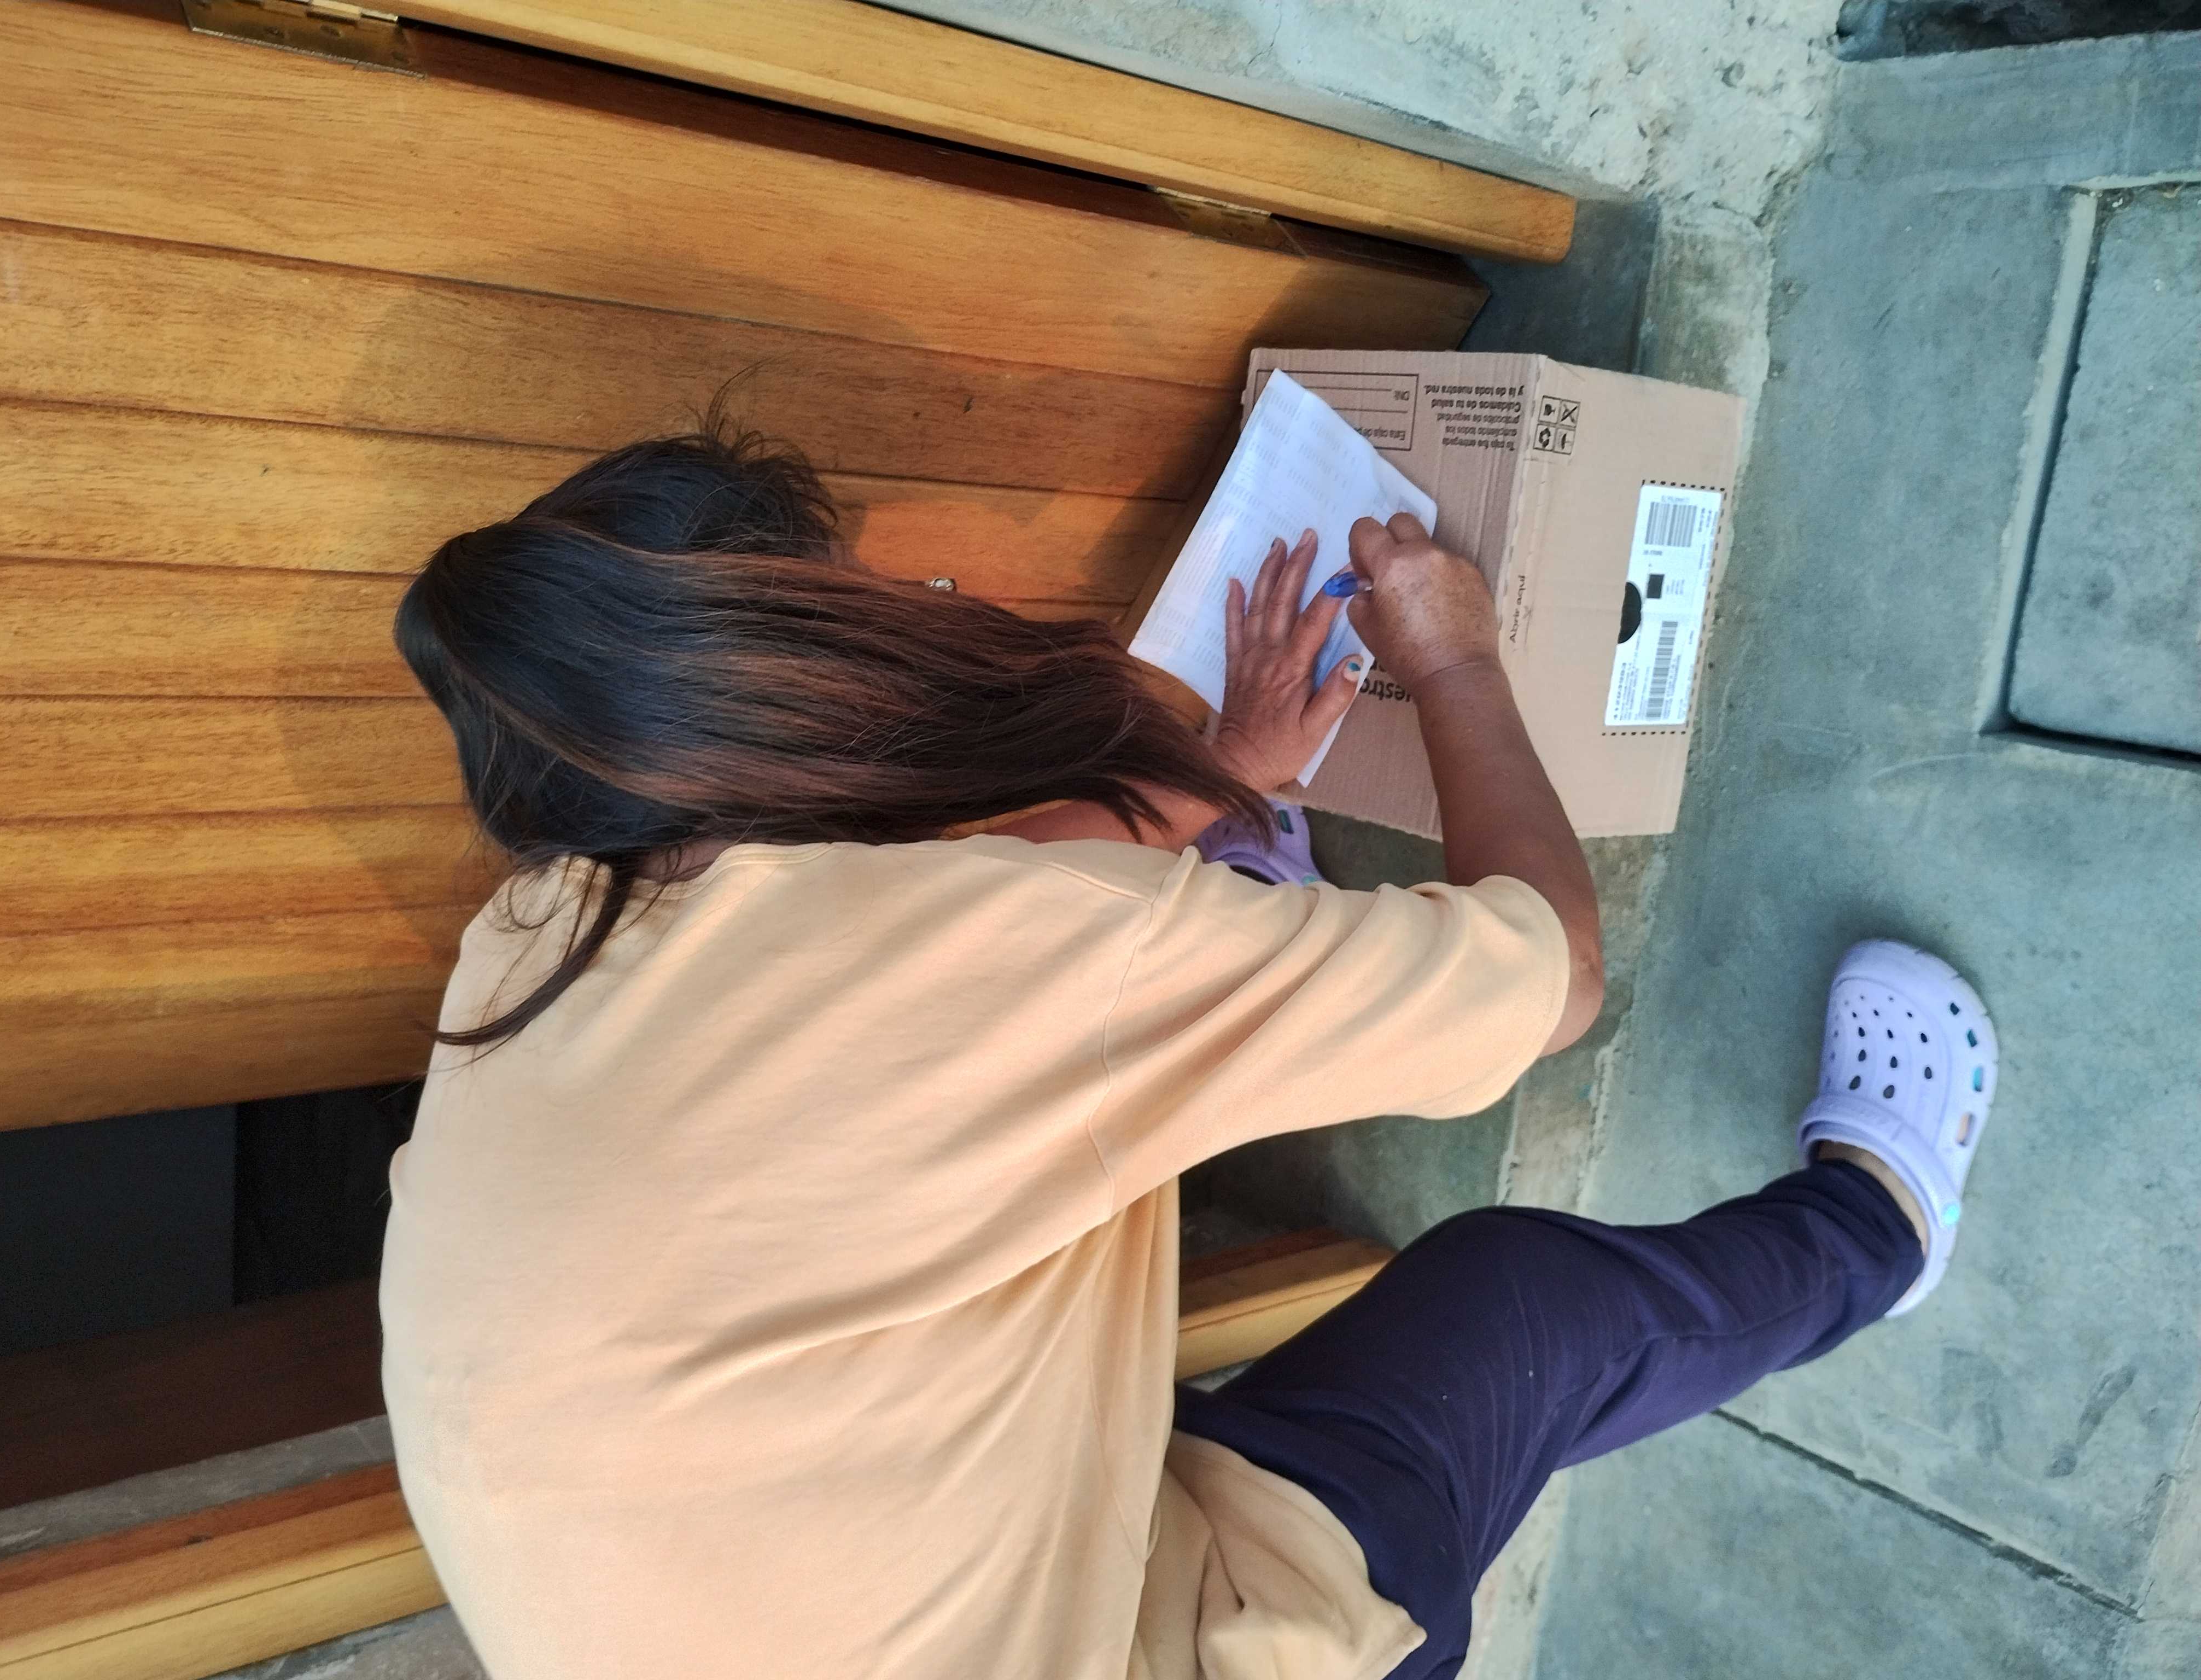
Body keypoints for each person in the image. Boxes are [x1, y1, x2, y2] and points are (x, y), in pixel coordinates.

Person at [381, 423, 1999, 1680]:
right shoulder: (967, 950)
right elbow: (1554, 975)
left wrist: (1225, 773)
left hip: (863, 1585)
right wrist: (1454, 661)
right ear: (795, 682)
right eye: (878, 600)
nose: (923, 606)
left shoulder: (534, 940)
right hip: (1112, 1649)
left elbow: (952, 917)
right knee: (1522, 1305)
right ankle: (1883, 1221)